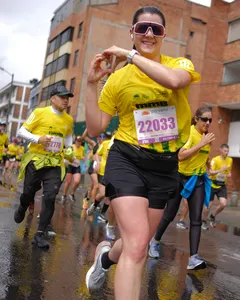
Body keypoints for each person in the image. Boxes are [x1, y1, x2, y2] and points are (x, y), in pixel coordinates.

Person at [84, 6, 201, 299]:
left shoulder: (180, 64)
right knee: (138, 246)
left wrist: (130, 55)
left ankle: (106, 257)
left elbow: (175, 82)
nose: (149, 34)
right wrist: (90, 83)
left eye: (156, 29)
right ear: (132, 32)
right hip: (127, 159)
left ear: (164, 36)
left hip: (164, 166)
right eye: (142, 28)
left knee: (137, 242)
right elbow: (96, 127)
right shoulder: (118, 80)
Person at [149, 107, 214, 270]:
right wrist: (201, 144)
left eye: (210, 120)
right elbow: (181, 155)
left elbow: (204, 156)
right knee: (170, 214)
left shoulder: (207, 138)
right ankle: (155, 240)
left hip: (196, 179)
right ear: (196, 119)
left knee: (196, 218)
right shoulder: (188, 134)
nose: (208, 123)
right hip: (179, 178)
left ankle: (193, 258)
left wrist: (208, 166)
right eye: (205, 119)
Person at [14, 86, 74, 249]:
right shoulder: (40, 113)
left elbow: (68, 137)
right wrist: (38, 139)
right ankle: (23, 205)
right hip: (36, 160)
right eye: (62, 97)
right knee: (28, 192)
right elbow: (22, 131)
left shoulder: (68, 119)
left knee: (50, 196)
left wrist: (69, 149)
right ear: (52, 98)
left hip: (55, 163)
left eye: (67, 97)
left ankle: (39, 235)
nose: (65, 100)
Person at [202, 144, 233, 229]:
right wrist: (220, 170)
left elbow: (228, 171)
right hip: (212, 184)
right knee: (208, 205)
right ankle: (204, 221)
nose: (226, 153)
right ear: (220, 150)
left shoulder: (230, 160)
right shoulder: (215, 160)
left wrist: (229, 174)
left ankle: (212, 216)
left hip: (221, 185)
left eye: (227, 151)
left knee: (223, 204)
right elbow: (210, 172)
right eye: (225, 151)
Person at [61, 136, 85, 203]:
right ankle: (64, 195)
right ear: (75, 141)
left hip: (77, 166)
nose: (78, 143)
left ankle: (72, 193)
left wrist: (83, 158)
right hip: (70, 165)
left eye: (80, 141)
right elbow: (66, 154)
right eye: (77, 141)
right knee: (68, 182)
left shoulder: (82, 148)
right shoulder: (71, 146)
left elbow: (83, 156)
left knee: (77, 181)